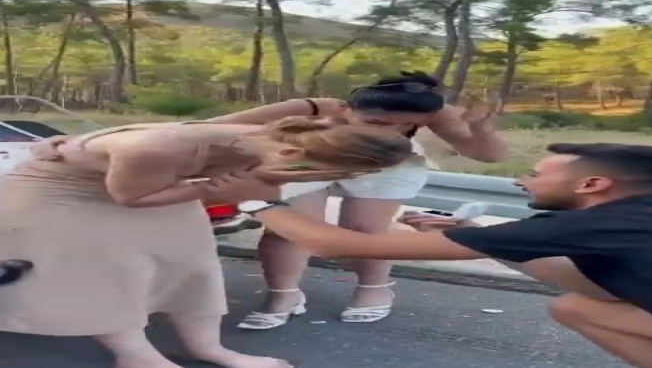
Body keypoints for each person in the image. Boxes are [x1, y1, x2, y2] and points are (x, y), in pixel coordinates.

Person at [238, 143, 652, 368]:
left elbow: (337, 245)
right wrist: (480, 237)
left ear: (592, 184)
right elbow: (592, 287)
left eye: (534, 174)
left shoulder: (597, 224)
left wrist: (254, 199)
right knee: (578, 307)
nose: (520, 181)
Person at [0, 117, 413, 368]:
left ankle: (208, 348)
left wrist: (232, 186)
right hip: (64, 193)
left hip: (166, 184)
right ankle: (137, 356)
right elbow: (132, 198)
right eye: (313, 174)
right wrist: (222, 189)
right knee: (111, 272)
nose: (308, 182)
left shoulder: (285, 135)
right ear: (290, 153)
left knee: (191, 264)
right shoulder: (155, 148)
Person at [204, 70, 507, 328]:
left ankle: (374, 288)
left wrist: (479, 127)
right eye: (376, 123)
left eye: (403, 126)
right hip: (310, 157)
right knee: (288, 227)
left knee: (365, 229)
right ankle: (283, 294)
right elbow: (212, 127)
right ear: (344, 109)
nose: (390, 131)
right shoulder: (312, 109)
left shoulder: (432, 110)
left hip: (388, 161)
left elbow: (489, 156)